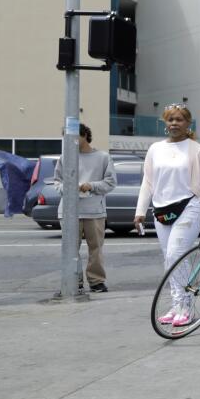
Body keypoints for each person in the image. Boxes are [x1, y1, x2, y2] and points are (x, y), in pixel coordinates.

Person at [134, 105, 200, 326]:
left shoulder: (198, 150)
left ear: (188, 123)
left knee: (175, 255)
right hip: (160, 209)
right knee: (169, 258)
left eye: (179, 120)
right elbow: (148, 182)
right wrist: (140, 211)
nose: (174, 124)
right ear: (165, 123)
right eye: (170, 120)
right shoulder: (155, 149)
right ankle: (176, 304)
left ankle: (186, 306)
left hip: (189, 206)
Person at [49, 124, 116, 293]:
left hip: (95, 210)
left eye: (73, 137)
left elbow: (110, 182)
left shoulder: (103, 157)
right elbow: (57, 182)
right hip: (69, 210)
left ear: (85, 135)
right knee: (70, 249)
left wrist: (90, 186)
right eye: (66, 138)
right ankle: (74, 281)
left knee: (96, 248)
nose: (70, 141)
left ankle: (96, 281)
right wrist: (69, 187)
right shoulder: (65, 158)